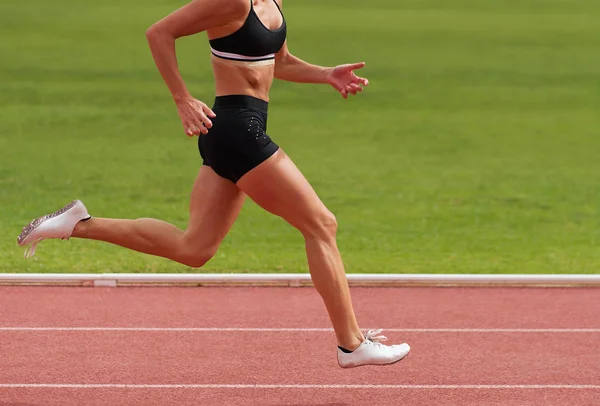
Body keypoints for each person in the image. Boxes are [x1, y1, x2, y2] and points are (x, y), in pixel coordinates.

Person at [17, 0, 410, 368]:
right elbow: (159, 33)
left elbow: (280, 62)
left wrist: (326, 74)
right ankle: (352, 343)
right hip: (238, 130)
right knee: (321, 224)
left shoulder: (270, 2)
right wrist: (182, 98)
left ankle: (77, 224)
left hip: (234, 132)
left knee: (195, 248)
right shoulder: (232, 1)